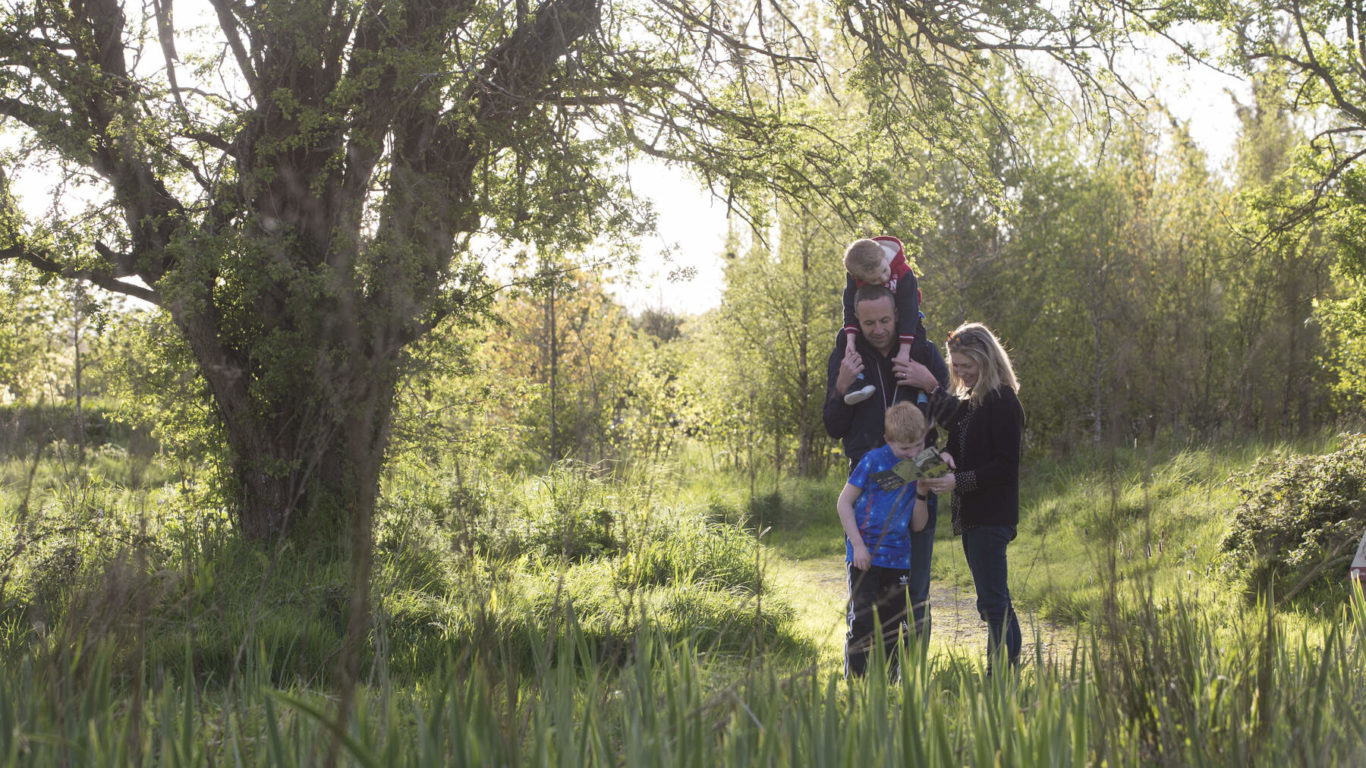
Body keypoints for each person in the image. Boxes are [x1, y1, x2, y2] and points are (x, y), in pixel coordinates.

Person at [823, 284, 949, 639]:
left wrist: (930, 383)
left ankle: (912, 669)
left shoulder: (924, 351)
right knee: (865, 592)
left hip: (919, 470)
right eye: (868, 323)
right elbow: (833, 427)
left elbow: (954, 417)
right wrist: (841, 387)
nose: (878, 329)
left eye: (885, 320)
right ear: (856, 321)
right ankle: (867, 666)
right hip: (866, 480)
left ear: (897, 315)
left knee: (916, 590)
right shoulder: (846, 355)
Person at [920, 322, 1025, 673]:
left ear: (987, 359)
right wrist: (948, 456)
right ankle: (1006, 673)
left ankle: (1000, 677)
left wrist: (958, 481)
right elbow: (957, 441)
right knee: (993, 602)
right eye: (957, 366)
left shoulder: (1003, 401)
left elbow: (1005, 467)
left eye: (967, 365)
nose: (961, 373)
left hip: (992, 515)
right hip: (972, 515)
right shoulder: (972, 401)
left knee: (994, 604)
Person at [836, 402, 931, 677]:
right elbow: (843, 503)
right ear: (888, 440)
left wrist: (922, 492)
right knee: (863, 622)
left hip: (898, 560)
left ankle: (888, 687)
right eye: (905, 448)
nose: (912, 453)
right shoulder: (872, 461)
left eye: (918, 445)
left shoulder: (920, 464)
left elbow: (918, 525)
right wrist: (857, 546)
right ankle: (856, 684)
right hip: (864, 557)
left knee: (893, 627)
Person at [839, 236, 932, 404]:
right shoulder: (854, 277)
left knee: (918, 347)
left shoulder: (904, 273)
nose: (883, 279)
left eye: (884, 271)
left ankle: (921, 394)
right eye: (874, 280)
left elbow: (910, 311)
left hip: (906, 317)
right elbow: (850, 307)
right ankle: (859, 382)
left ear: (883, 255)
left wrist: (904, 350)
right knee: (844, 341)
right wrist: (850, 341)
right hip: (875, 317)